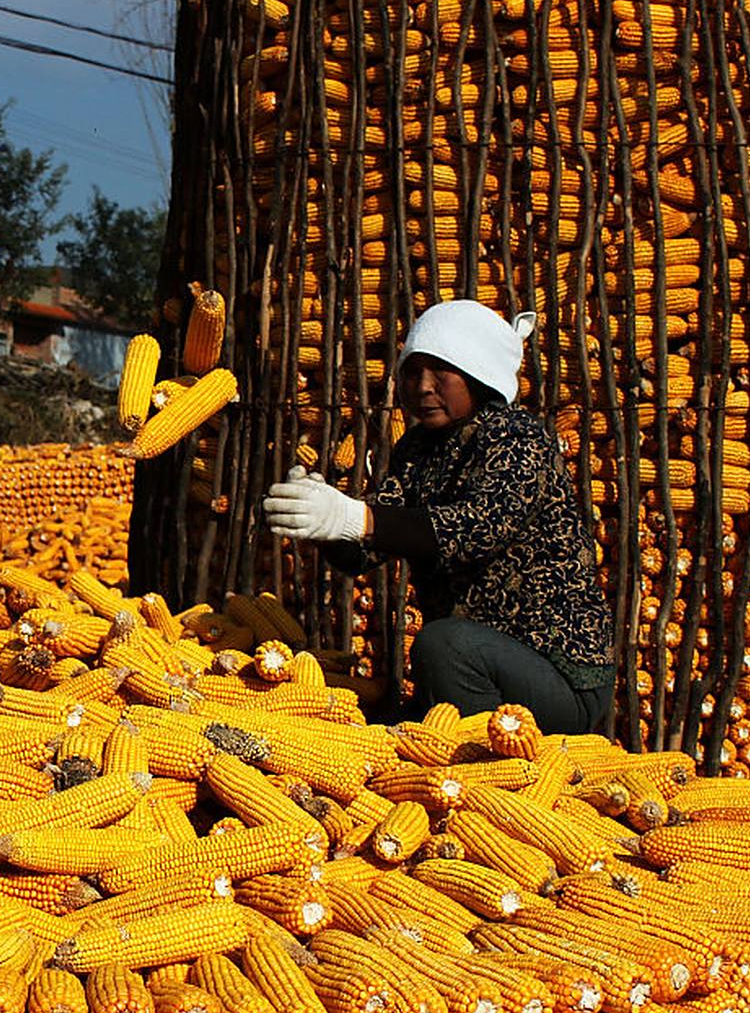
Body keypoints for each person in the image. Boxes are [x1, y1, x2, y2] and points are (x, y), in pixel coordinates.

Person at [262, 299, 615, 733]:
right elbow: (369, 547)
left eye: (440, 372)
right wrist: (322, 521)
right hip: (476, 667)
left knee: (444, 643)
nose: (423, 387)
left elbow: (475, 529)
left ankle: (486, 774)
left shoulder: (517, 438)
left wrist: (356, 518)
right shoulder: (417, 450)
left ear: (478, 375)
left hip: (557, 676)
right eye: (412, 371)